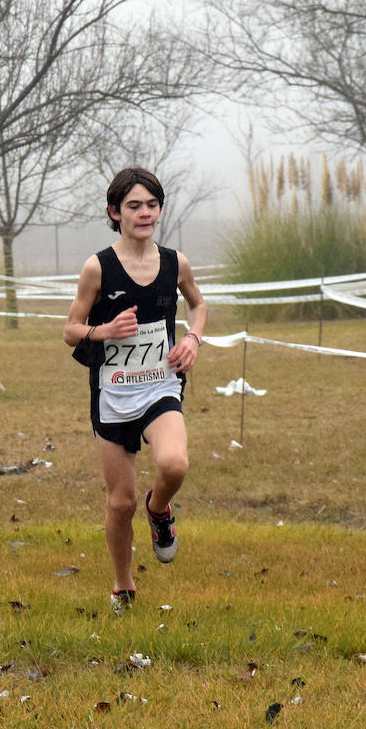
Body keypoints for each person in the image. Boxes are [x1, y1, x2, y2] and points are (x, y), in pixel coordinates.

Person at [63, 167, 208, 615]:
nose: (144, 213)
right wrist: (104, 330)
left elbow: (198, 304)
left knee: (175, 463)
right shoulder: (98, 267)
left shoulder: (174, 262)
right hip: (113, 393)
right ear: (115, 212)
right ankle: (123, 587)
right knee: (120, 502)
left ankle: (160, 509)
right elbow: (71, 330)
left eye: (151, 205)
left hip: (160, 385)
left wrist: (191, 338)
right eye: (134, 206)